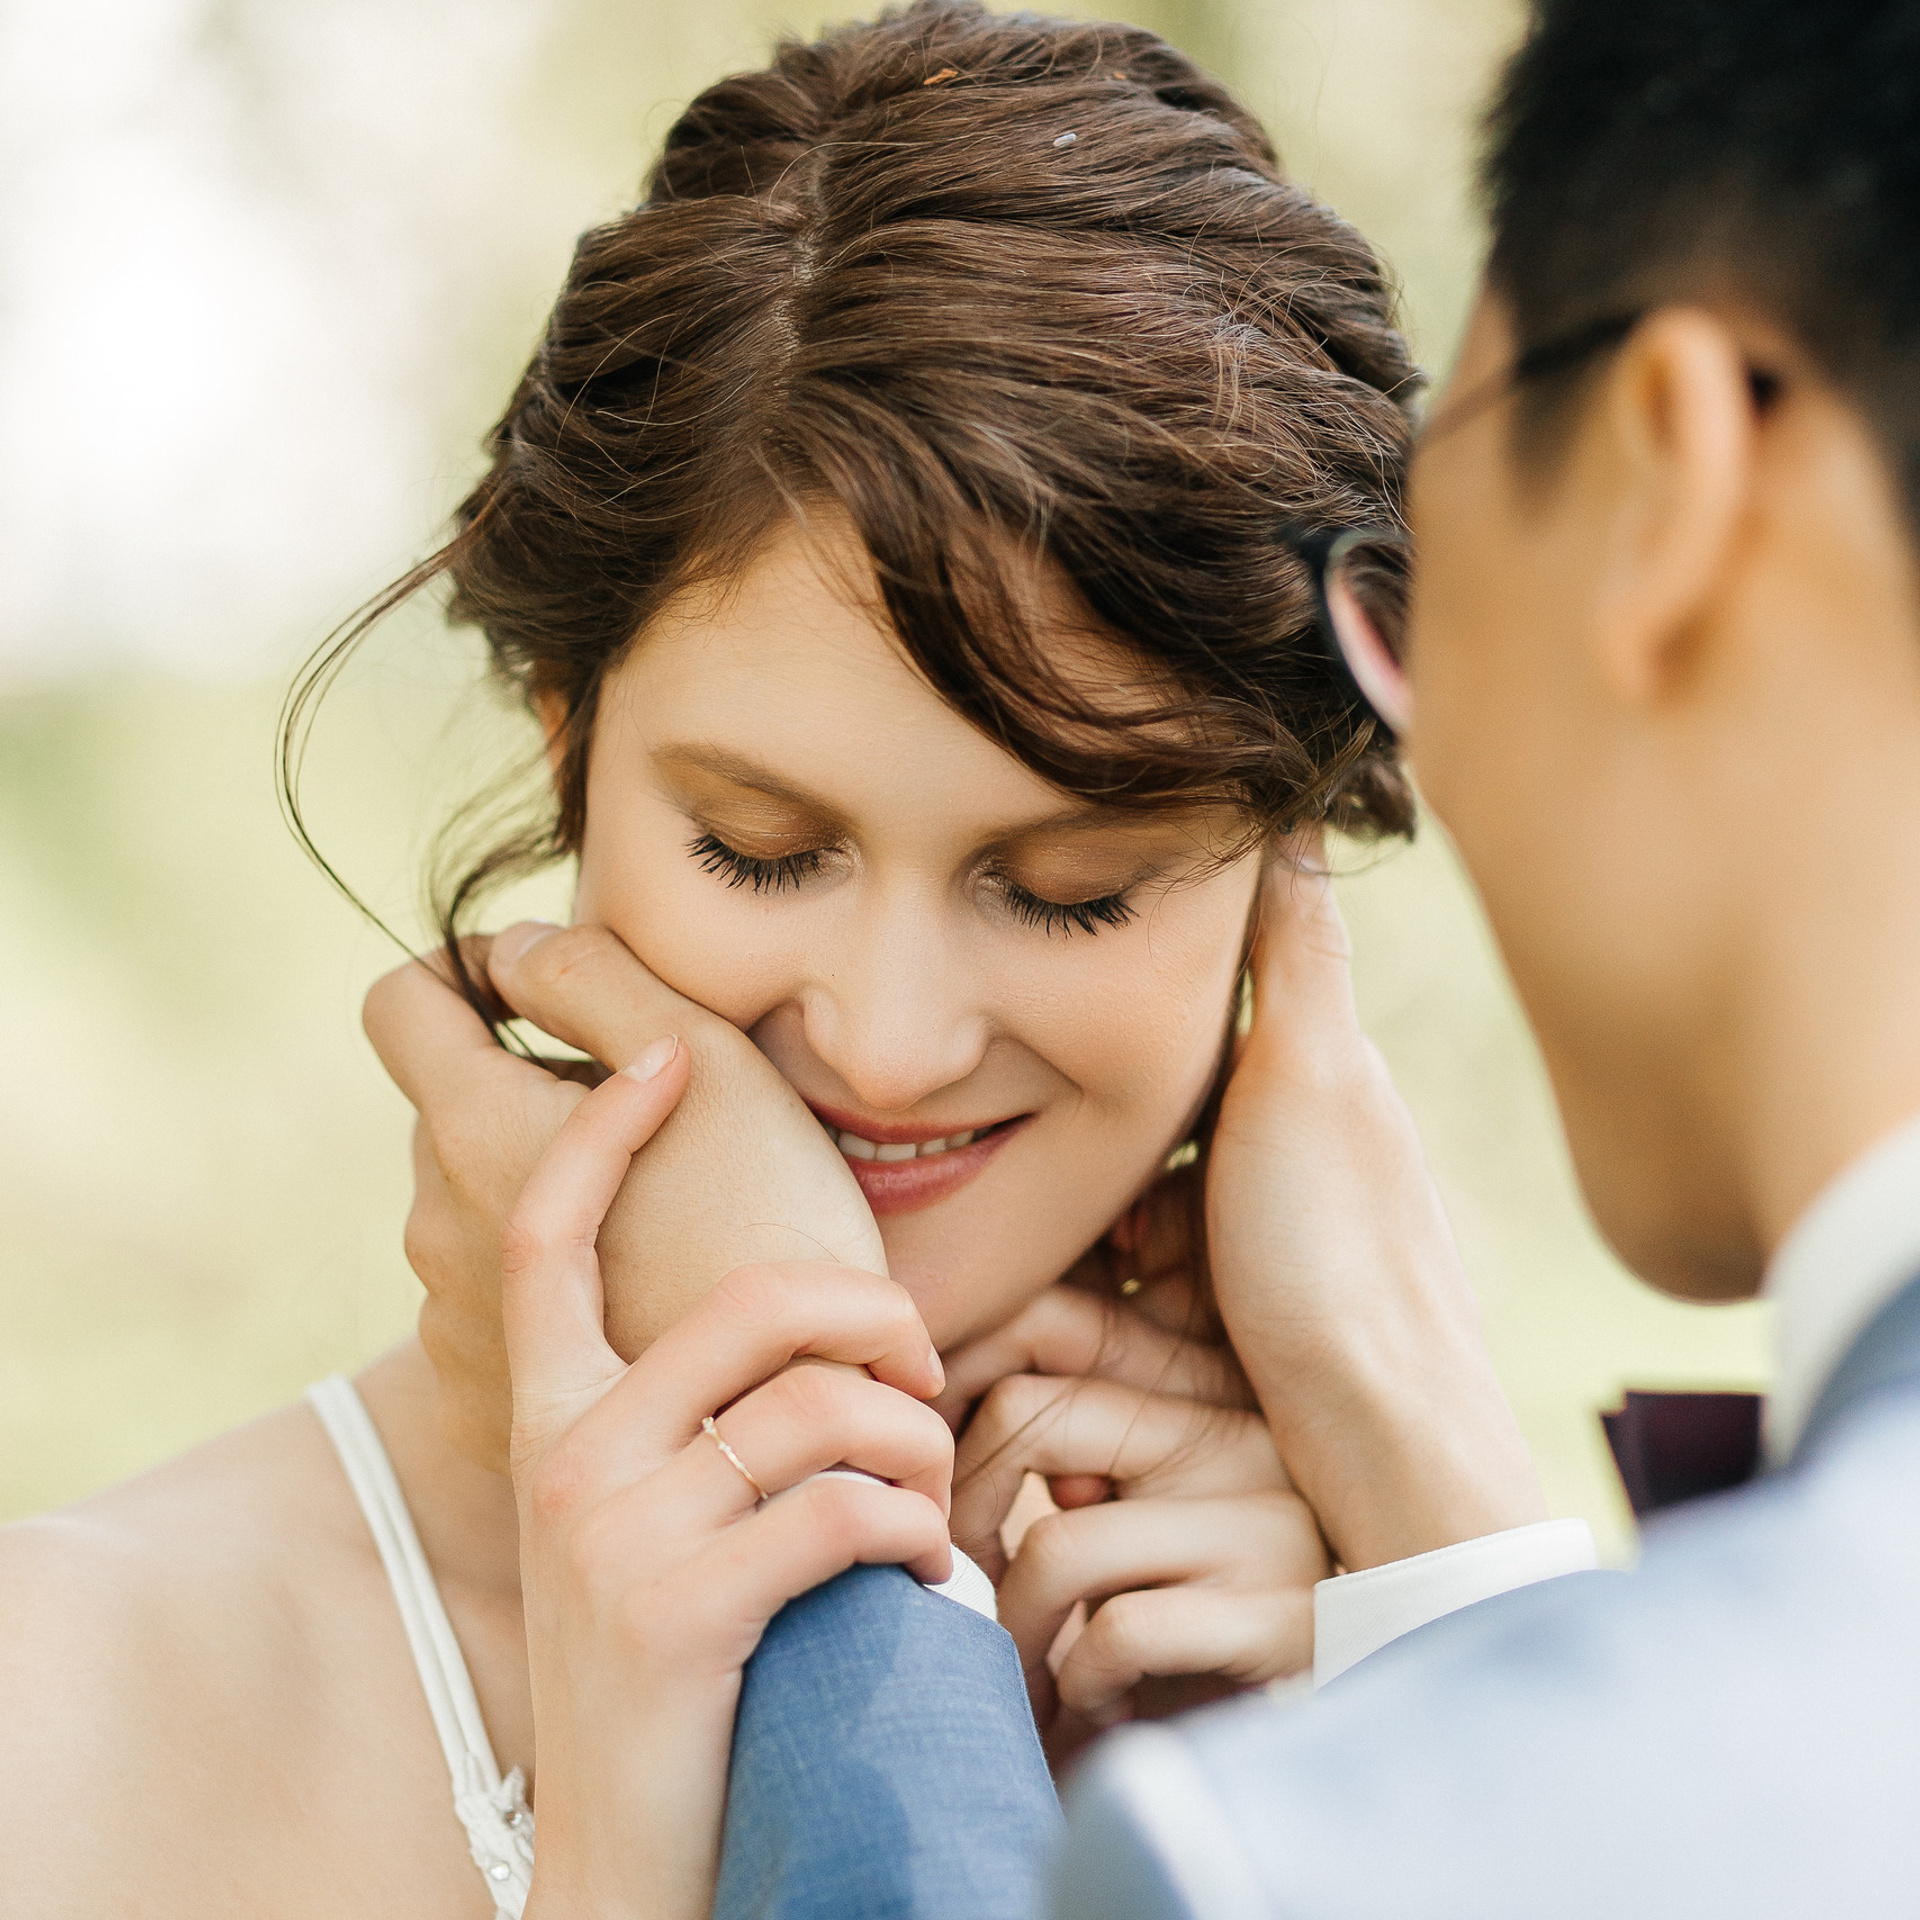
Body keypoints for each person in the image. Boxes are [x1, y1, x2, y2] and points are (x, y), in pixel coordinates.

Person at [0, 8, 1564, 1919]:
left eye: (1071, 887)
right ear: (571, 741)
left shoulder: (1413, 1657)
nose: (889, 1047)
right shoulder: (68, 1704)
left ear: (1283, 862)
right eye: (761, 850)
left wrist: (1413, 1533)